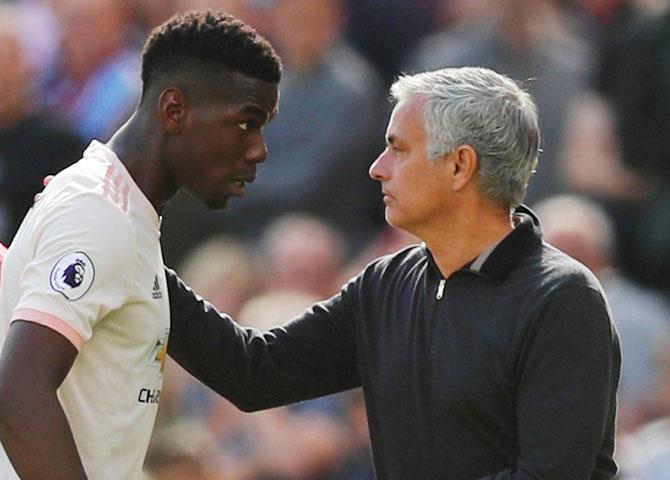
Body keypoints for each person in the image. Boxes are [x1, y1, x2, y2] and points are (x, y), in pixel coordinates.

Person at [166, 67, 621, 478]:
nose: (377, 169)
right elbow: (255, 372)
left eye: (398, 149)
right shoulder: (385, 284)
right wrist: (141, 262)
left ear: (460, 165)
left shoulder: (562, 299)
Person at [0, 10, 280, 480]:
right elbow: (18, 390)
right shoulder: (100, 211)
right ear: (174, 111)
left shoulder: (124, 215)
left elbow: (248, 371)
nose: (258, 149)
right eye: (245, 123)